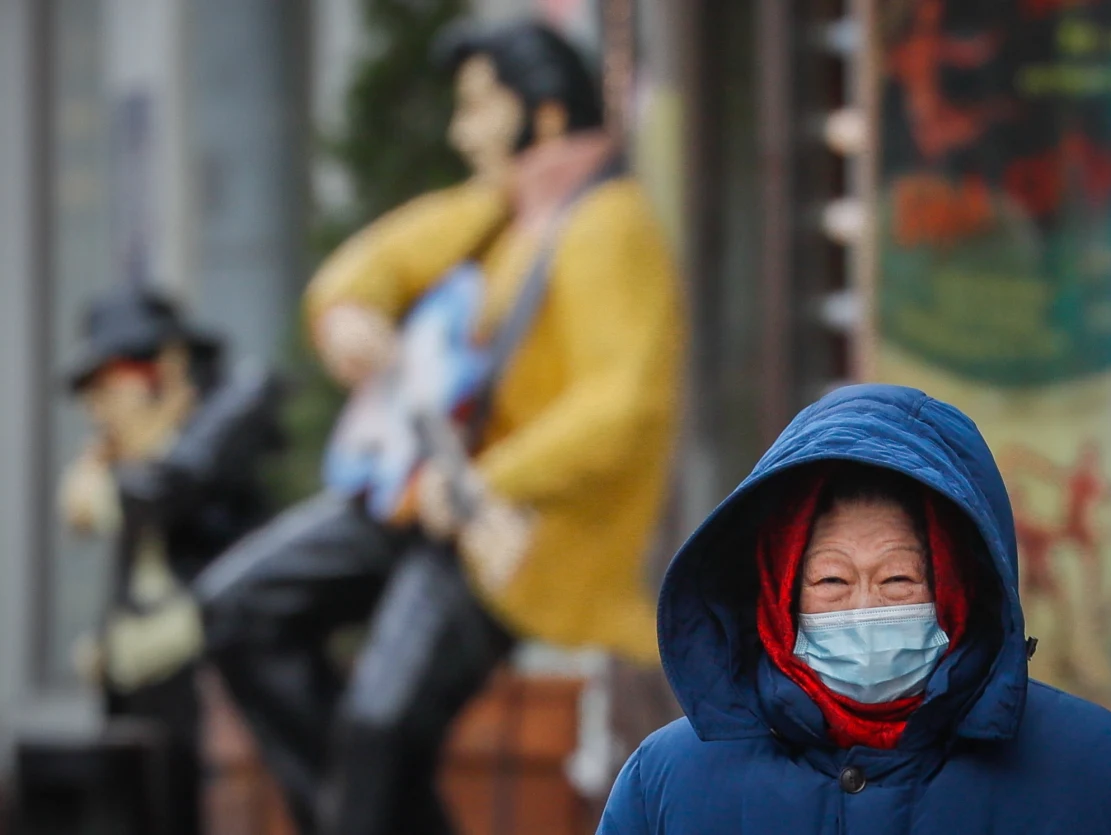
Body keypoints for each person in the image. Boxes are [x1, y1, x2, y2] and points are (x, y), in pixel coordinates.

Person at [196, 19, 682, 835]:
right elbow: (372, 261)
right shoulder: (500, 209)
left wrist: (491, 479)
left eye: (479, 109)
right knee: (241, 606)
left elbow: (625, 404)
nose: (463, 133)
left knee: (383, 723)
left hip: (521, 533)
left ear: (548, 116)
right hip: (420, 490)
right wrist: (347, 312)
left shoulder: (609, 227)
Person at [598, 383, 1111, 834]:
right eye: (831, 579)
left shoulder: (1102, 778)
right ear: (779, 595)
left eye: (898, 578)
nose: (864, 607)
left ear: (960, 586)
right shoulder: (667, 785)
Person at [59, 283, 284, 835]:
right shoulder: (123, 457)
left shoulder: (220, 428)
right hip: (138, 682)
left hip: (206, 677)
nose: (99, 408)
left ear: (161, 373)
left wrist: (122, 457)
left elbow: (151, 497)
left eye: (110, 385)